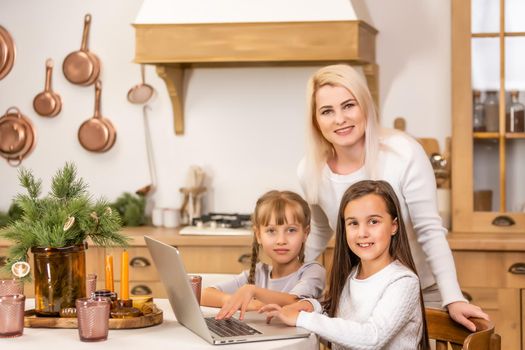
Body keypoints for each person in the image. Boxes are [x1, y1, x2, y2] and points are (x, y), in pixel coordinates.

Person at [296, 64, 488, 331]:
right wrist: (293, 283)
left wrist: (452, 297)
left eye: (349, 105)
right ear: (316, 120)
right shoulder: (310, 169)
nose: (340, 119)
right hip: (357, 294)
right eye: (327, 111)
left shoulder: (403, 153)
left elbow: (429, 230)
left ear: (365, 106)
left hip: (421, 290)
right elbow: (319, 230)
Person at [261, 180, 430, 349]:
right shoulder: (352, 274)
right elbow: (340, 325)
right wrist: (311, 306)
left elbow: (372, 338)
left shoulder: (404, 282)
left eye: (373, 222)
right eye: (353, 223)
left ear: (394, 226)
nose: (362, 233)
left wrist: (302, 318)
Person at [201, 190, 326, 320]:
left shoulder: (313, 271)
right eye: (271, 231)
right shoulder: (257, 274)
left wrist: (253, 292)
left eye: (291, 230)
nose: (281, 240)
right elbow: (203, 295)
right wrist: (247, 302)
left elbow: (294, 302)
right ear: (258, 235)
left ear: (305, 233)